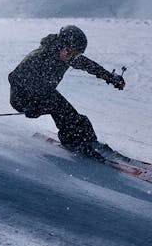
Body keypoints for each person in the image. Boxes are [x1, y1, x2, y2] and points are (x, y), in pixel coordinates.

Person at [8, 25, 125, 154]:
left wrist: (110, 77)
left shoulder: (66, 56)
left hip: (44, 93)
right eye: (70, 52)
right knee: (61, 109)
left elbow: (89, 65)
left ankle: (89, 141)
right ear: (61, 45)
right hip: (23, 99)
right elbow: (14, 78)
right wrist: (28, 106)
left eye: (76, 54)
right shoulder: (39, 57)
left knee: (72, 115)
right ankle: (74, 142)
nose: (71, 56)